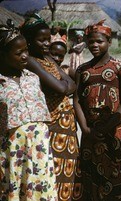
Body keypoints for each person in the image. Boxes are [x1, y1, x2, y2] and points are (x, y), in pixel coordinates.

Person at [20, 13, 81, 201]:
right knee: (54, 173)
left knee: (69, 172)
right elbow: (62, 86)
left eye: (48, 39)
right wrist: (64, 86)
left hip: (66, 124)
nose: (47, 44)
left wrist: (65, 86)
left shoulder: (47, 58)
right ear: (29, 41)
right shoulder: (31, 61)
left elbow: (71, 84)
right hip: (52, 124)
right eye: (41, 40)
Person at [73, 19, 121, 200]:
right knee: (90, 176)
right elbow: (77, 100)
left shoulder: (119, 67)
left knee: (115, 174)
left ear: (109, 42)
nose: (95, 45)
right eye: (91, 42)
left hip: (113, 130)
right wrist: (85, 128)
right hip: (90, 133)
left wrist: (109, 124)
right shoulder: (82, 70)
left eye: (99, 41)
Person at [0, 20, 57, 200]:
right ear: (2, 55)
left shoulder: (32, 77)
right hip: (13, 151)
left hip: (39, 148)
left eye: (26, 50)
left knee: (40, 192)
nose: (26, 56)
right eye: (19, 53)